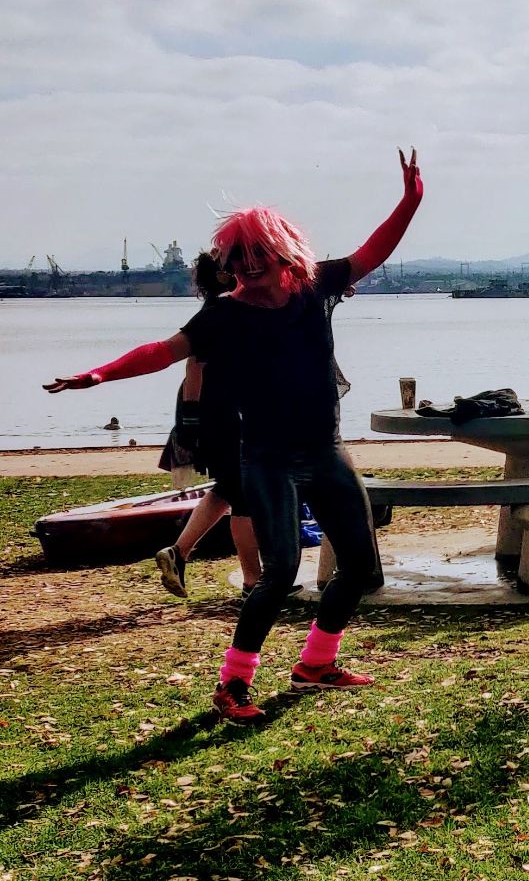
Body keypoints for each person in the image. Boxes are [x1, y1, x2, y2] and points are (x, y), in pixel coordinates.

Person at [47, 153, 423, 720]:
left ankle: (315, 663)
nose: (246, 266)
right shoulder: (221, 315)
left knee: (362, 569)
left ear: (283, 254)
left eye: (257, 255)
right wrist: (100, 374)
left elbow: (374, 252)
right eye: (237, 258)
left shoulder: (314, 286)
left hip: (327, 450)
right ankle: (233, 683)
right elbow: (161, 352)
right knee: (280, 575)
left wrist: (410, 201)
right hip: (267, 458)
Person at [152, 252, 262, 596]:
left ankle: (178, 553)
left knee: (227, 490)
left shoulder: (231, 309)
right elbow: (194, 367)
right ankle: (252, 583)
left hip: (222, 411)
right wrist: (190, 419)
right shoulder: (218, 313)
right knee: (243, 498)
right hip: (219, 414)